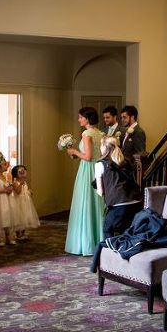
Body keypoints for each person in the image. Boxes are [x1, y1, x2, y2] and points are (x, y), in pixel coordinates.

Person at [64, 107, 105, 255]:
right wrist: (77, 154)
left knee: (86, 202)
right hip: (99, 168)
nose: (78, 120)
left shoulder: (86, 134)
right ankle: (98, 239)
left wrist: (74, 151)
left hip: (88, 170)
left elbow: (87, 157)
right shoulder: (101, 134)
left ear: (87, 119)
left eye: (80, 117)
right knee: (97, 202)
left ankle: (86, 243)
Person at [95, 136, 143, 239]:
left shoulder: (100, 164)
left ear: (104, 147)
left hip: (118, 204)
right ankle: (125, 252)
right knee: (125, 231)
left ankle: (108, 254)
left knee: (107, 229)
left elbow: (100, 191)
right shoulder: (125, 161)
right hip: (136, 202)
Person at [10, 164, 40, 240]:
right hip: (18, 203)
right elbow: (18, 191)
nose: (23, 173)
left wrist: (29, 192)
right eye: (20, 172)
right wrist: (20, 184)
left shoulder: (25, 183)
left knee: (25, 218)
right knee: (18, 219)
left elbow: (25, 190)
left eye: (24, 171)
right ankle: (17, 234)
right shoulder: (15, 183)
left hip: (26, 203)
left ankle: (23, 233)